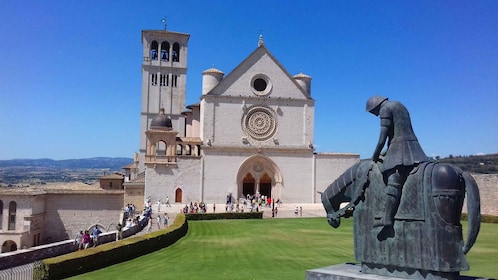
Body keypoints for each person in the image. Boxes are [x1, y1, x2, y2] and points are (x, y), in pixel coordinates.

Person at [366, 96, 428, 227]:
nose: (377, 115)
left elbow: (382, 138)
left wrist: (374, 156)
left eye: (375, 113)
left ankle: (387, 217)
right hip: (413, 147)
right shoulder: (399, 105)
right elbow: (397, 132)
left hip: (400, 150)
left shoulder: (385, 109)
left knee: (393, 181)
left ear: (376, 107)